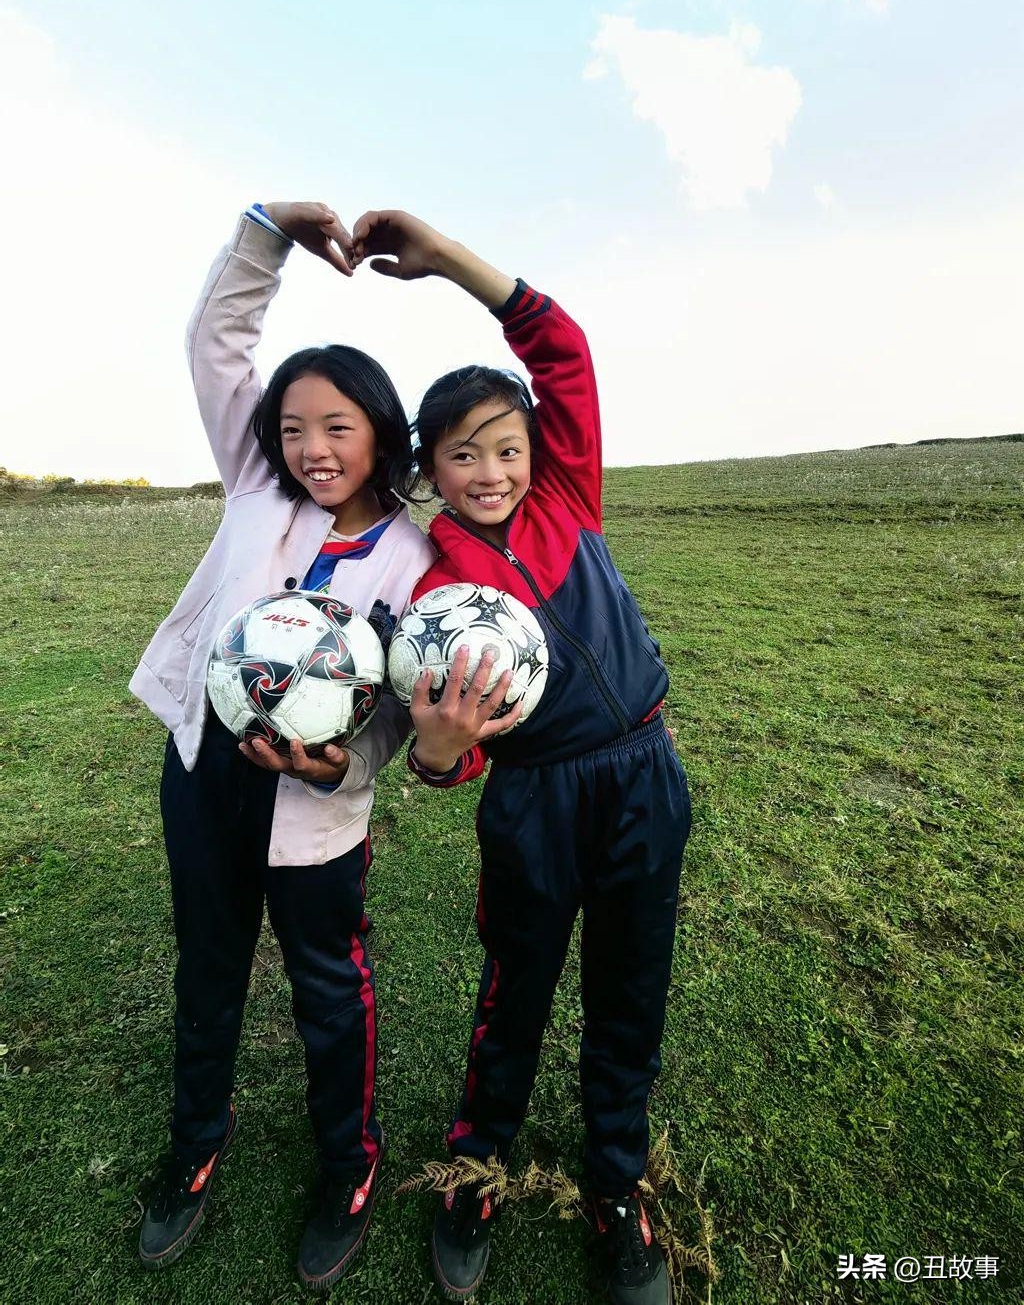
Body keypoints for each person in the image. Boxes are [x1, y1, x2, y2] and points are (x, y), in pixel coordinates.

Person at [350, 209, 692, 1304]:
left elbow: (563, 351)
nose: (491, 471)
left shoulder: (569, 498)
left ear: (537, 451)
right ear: (431, 471)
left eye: (507, 447)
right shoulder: (433, 587)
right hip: (534, 802)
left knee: (630, 988)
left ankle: (617, 1185)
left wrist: (449, 261)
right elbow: (448, 753)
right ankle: (478, 1166)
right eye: (464, 455)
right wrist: (439, 756)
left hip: (642, 777)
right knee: (517, 991)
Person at [129, 200, 434, 1291]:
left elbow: (395, 707)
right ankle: (194, 1149)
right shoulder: (258, 489)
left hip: (315, 801)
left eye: (337, 427)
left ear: (380, 432)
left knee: (327, 987)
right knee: (208, 968)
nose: (312, 449)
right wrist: (265, 235)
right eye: (295, 427)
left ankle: (349, 1166)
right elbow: (217, 344)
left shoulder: (411, 558)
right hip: (207, 771)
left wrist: (342, 765)